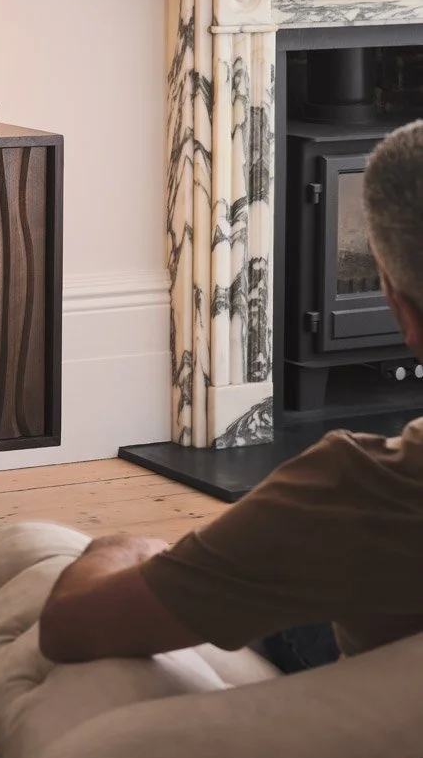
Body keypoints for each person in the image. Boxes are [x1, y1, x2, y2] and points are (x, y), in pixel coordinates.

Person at [38, 119, 423, 673]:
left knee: (21, 552)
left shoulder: (358, 492)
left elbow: (70, 625)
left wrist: (129, 546)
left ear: (398, 307)